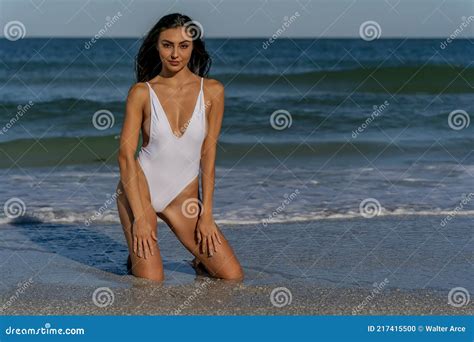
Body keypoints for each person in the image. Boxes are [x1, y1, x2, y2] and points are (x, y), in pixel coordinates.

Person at [115, 13, 244, 282]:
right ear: (156, 46)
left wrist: (206, 215)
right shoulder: (141, 92)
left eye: (183, 46)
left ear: (194, 47)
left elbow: (209, 154)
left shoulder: (212, 91)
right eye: (167, 45)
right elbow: (126, 155)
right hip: (140, 192)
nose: (175, 54)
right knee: (151, 284)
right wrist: (139, 218)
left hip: (183, 200)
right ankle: (137, 248)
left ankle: (195, 261)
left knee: (232, 277)